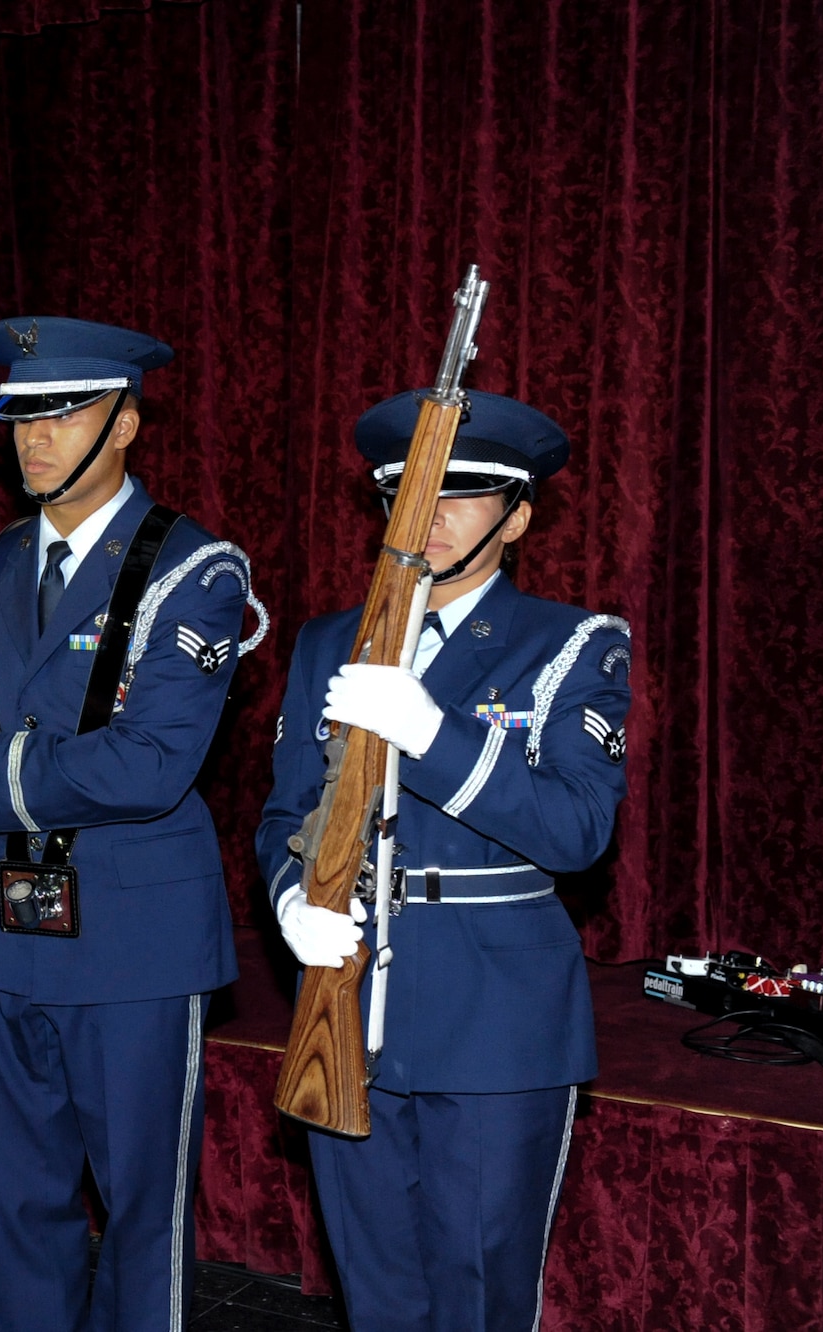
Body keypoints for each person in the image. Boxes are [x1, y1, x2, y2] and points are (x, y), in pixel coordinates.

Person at [0, 316, 264, 1332]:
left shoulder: (194, 572)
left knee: (142, 1212)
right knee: (18, 1205)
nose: (34, 437)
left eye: (64, 412)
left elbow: (149, 763)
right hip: (5, 931)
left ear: (127, 423)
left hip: (129, 938)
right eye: (20, 414)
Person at [257, 390, 632, 1332]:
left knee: (479, 1294)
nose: (426, 513)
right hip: (347, 1006)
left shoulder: (573, 644)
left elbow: (578, 828)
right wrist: (291, 900)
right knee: (376, 1293)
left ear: (518, 516)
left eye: (460, 492)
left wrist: (432, 734)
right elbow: (283, 814)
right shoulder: (324, 643)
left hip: (494, 1021)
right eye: (407, 492)